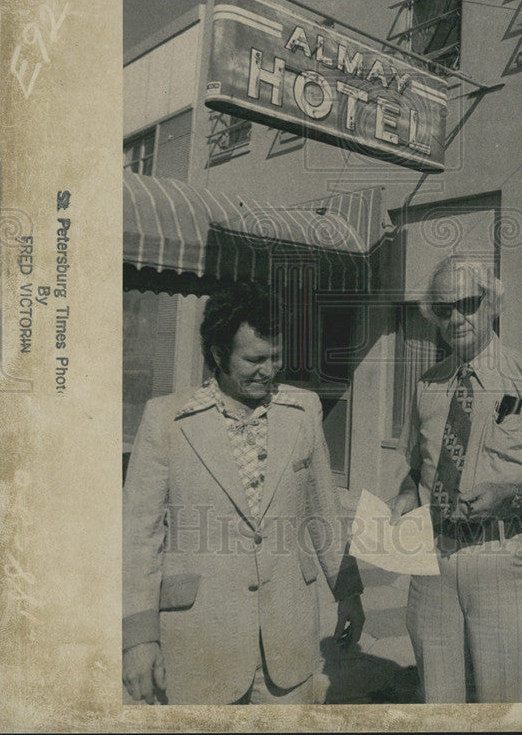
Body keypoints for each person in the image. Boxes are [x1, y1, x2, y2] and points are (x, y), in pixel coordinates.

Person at [122, 282, 364, 705]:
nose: (269, 371)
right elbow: (138, 537)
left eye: (276, 357)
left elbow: (324, 513)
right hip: (198, 645)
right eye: (254, 360)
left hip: (289, 644)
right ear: (218, 355)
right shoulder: (167, 419)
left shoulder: (303, 410)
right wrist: (139, 639)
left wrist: (349, 593)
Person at [391, 256, 522, 703]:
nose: (455, 318)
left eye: (468, 303)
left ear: (493, 304)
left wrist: (512, 495)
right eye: (443, 309)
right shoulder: (427, 384)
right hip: (435, 562)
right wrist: (406, 495)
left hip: (509, 558)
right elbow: (414, 466)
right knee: (439, 704)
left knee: (504, 704)